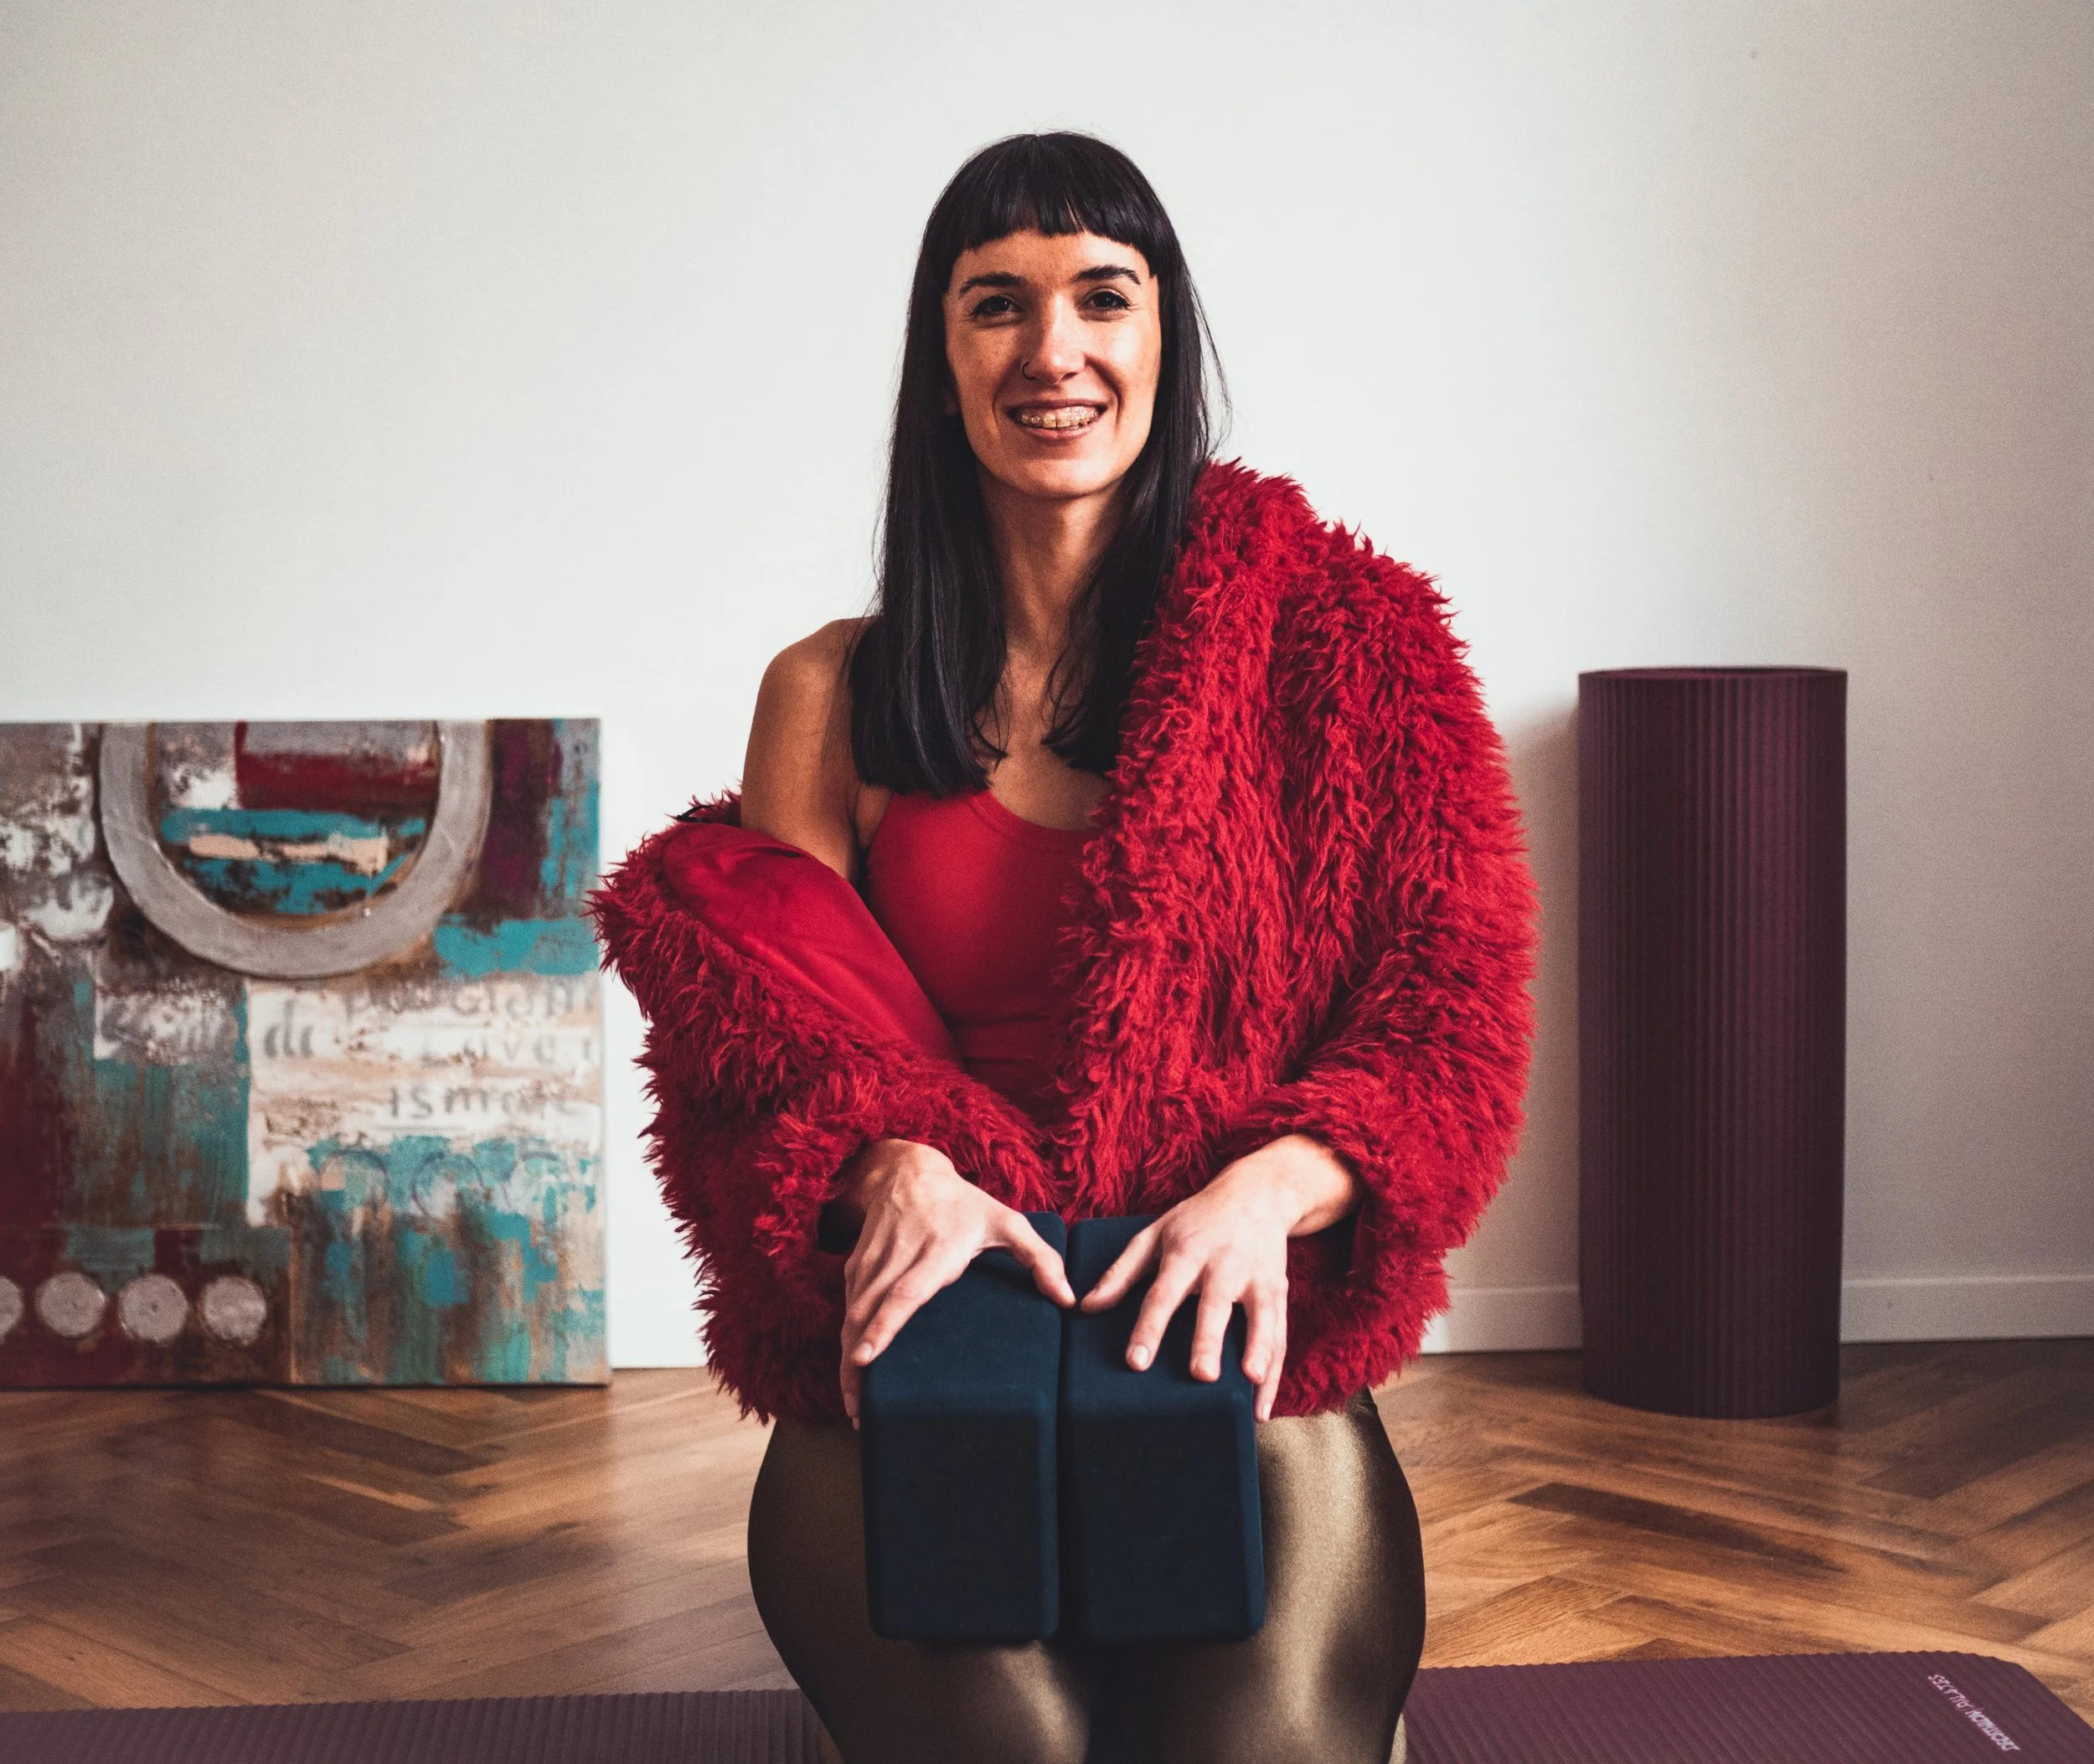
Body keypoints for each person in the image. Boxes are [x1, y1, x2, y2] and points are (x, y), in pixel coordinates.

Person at [595, 132, 1536, 1764]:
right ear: (938, 357)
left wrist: (1263, 1194)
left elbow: (1446, 1026)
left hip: (1216, 1299)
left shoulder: (1346, 646)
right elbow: (769, 1052)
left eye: (1101, 297)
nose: (1053, 352)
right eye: (994, 307)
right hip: (936, 1302)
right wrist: (890, 1164)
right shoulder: (827, 694)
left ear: (1163, 340)